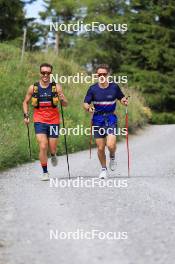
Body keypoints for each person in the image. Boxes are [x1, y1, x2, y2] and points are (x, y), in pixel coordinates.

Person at [23, 63, 68, 181]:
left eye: (48, 73)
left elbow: (65, 104)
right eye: (43, 72)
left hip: (54, 121)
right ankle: (45, 172)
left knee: (52, 148)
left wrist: (63, 99)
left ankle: (53, 155)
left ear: (51, 74)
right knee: (43, 146)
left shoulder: (57, 87)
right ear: (40, 73)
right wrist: (26, 115)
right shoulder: (33, 88)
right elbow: (25, 102)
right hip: (39, 120)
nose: (45, 75)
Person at [83, 64, 128, 179]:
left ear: (108, 75)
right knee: (100, 147)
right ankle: (103, 169)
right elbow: (86, 103)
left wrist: (124, 101)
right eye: (99, 74)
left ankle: (112, 156)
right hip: (97, 119)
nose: (102, 76)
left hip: (111, 118)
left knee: (111, 144)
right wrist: (89, 108)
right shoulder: (93, 89)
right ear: (97, 75)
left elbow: (121, 98)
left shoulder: (114, 87)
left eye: (104, 74)